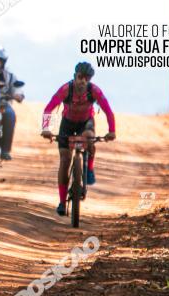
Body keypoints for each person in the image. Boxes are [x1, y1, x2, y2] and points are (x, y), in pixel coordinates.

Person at [40, 61, 116, 216]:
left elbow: (108, 111)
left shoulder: (94, 91)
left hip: (86, 122)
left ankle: (89, 168)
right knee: (65, 159)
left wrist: (112, 131)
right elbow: (49, 108)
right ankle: (62, 202)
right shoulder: (65, 90)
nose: (83, 81)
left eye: (87, 78)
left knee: (89, 139)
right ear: (74, 76)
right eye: (81, 77)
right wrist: (46, 129)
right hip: (67, 123)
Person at [0, 46, 24, 160]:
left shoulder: (10, 75)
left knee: (10, 115)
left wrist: (18, 95)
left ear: (3, 62)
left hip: (3, 104)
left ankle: (5, 150)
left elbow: (17, 87)